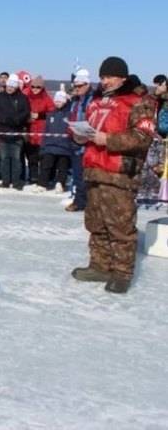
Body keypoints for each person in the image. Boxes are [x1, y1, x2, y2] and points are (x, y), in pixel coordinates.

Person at [71, 57, 155, 294]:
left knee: (120, 226)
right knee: (95, 223)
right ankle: (100, 266)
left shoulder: (139, 102)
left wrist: (108, 140)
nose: (104, 81)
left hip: (119, 173)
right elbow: (90, 128)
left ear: (122, 77)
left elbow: (143, 137)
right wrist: (80, 135)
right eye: (102, 77)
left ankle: (122, 273)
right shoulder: (97, 101)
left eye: (109, 77)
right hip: (94, 170)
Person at [0, 73, 30, 190]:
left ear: (16, 86)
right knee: (4, 159)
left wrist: (16, 121)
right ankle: (6, 181)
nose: (10, 88)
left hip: (16, 133)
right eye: (8, 85)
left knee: (16, 159)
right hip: (3, 132)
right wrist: (4, 120)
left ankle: (17, 181)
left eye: (12, 86)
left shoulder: (22, 98)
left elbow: (25, 112)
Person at [66, 69, 94, 211]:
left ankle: (90, 202)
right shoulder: (74, 100)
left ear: (87, 84)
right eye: (75, 86)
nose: (77, 89)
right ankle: (79, 201)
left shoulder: (93, 99)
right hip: (75, 140)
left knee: (89, 175)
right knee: (77, 174)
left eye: (80, 86)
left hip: (89, 140)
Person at [36, 90, 71, 192]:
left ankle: (60, 183)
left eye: (60, 101)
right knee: (46, 165)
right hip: (50, 145)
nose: (58, 102)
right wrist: (43, 146)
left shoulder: (69, 114)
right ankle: (42, 183)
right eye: (56, 101)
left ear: (64, 101)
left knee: (62, 167)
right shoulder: (51, 115)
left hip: (64, 146)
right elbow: (46, 131)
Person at [24, 76, 55, 184]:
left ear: (42, 88)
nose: (35, 89)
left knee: (43, 157)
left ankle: (44, 178)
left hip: (42, 131)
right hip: (30, 129)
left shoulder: (46, 98)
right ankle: (33, 177)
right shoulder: (26, 96)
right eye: (33, 86)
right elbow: (21, 110)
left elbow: (52, 112)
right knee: (31, 156)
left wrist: (40, 115)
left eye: (38, 87)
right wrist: (27, 117)